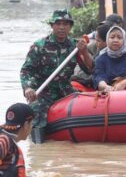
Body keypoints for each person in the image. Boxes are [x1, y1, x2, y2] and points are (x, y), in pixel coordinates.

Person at [20, 9, 93, 143]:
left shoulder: (75, 46)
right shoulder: (39, 46)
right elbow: (26, 71)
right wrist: (28, 89)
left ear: (70, 27)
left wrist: (85, 52)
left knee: (88, 107)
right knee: (37, 111)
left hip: (65, 89)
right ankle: (39, 149)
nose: (61, 27)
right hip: (43, 90)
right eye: (58, 23)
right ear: (52, 25)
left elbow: (90, 70)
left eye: (66, 24)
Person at [93, 26, 126, 92]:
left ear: (124, 40)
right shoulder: (100, 59)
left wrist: (123, 84)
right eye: (112, 37)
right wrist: (105, 86)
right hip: (110, 92)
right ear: (107, 40)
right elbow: (99, 76)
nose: (115, 40)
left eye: (119, 37)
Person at [71, 22, 113, 91]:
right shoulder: (96, 46)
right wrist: (83, 52)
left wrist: (85, 54)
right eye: (95, 39)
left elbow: (94, 69)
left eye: (98, 41)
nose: (96, 42)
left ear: (107, 42)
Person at [0, 103, 34, 176]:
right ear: (26, 125)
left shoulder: (8, 140)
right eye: (31, 124)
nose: (31, 128)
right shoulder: (4, 139)